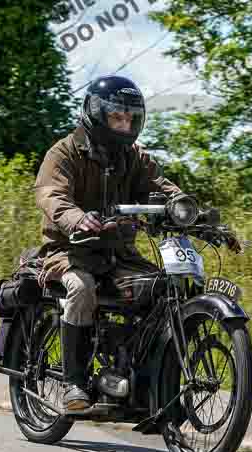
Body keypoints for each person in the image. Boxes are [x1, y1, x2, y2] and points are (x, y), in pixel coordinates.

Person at [34, 75, 183, 411]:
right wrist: (75, 217)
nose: (124, 124)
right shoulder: (65, 151)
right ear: (97, 114)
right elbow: (50, 193)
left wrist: (186, 208)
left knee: (161, 291)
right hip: (70, 250)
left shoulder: (134, 157)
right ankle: (74, 383)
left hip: (119, 254)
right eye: (117, 116)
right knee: (82, 289)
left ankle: (142, 379)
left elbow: (161, 187)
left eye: (131, 118)